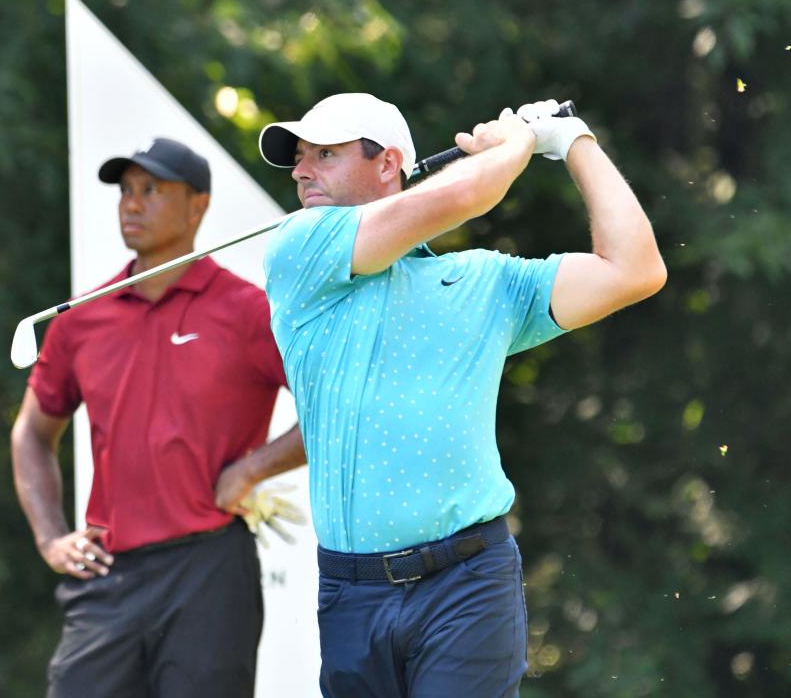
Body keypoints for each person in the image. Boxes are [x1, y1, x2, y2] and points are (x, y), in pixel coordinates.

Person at [257, 93, 666, 697]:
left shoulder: (482, 281)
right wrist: (519, 143)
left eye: (323, 153)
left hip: (468, 583)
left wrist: (574, 140)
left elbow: (635, 269)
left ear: (388, 163)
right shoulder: (300, 248)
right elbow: (463, 195)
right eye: (297, 158)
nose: (299, 170)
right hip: (351, 593)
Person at [10, 137, 306, 698]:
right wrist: (51, 538)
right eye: (125, 191)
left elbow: (329, 406)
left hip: (210, 568)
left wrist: (252, 470)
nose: (132, 203)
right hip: (108, 574)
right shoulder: (82, 318)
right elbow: (31, 431)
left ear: (199, 205)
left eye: (152, 189)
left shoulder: (248, 311)